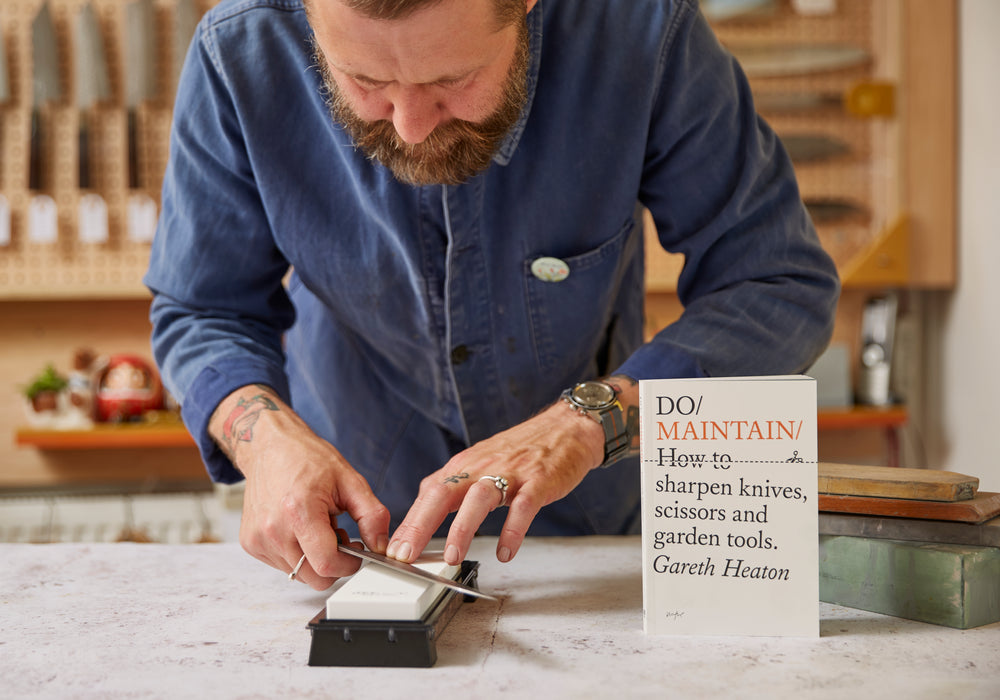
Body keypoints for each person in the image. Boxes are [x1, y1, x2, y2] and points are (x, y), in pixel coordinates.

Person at [145, 0, 839, 590]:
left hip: (586, 534)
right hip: (355, 542)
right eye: (364, 80)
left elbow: (774, 281)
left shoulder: (641, 33)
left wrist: (590, 420)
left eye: (454, 79)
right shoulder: (240, 51)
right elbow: (203, 308)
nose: (411, 125)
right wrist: (264, 443)